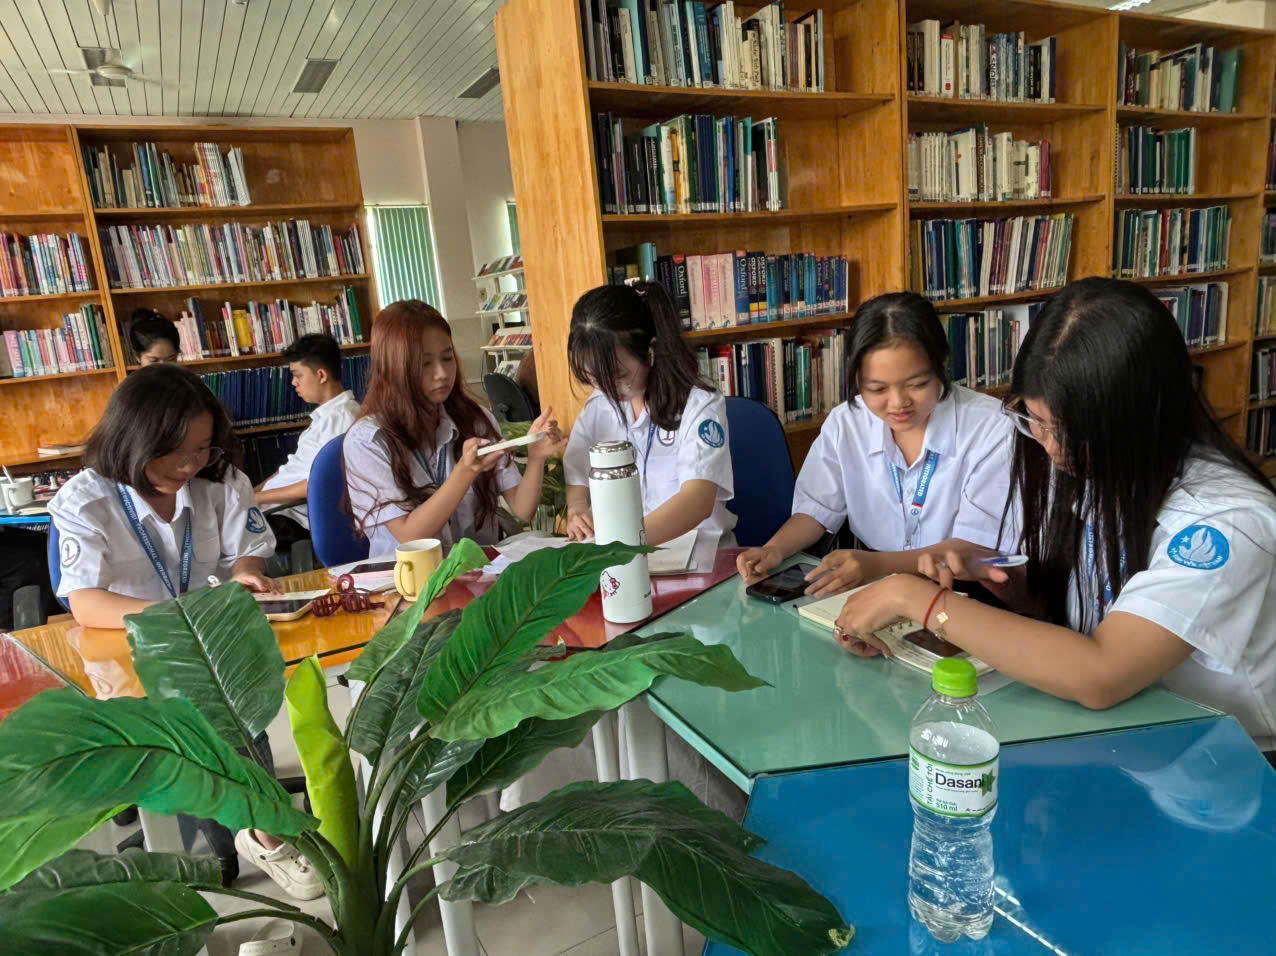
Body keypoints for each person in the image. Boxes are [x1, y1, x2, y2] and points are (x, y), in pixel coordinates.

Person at [833, 278, 1276, 758]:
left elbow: (1102, 673)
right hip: (1127, 734)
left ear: (1135, 418)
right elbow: (1083, 618)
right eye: (1036, 422)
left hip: (1223, 758)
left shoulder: (1225, 523)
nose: (1050, 448)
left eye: (1065, 429)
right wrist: (1012, 586)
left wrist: (915, 598)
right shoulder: (1095, 467)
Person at [46, 363, 322, 900]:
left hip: (210, 640)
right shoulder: (86, 499)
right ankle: (258, 831)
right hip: (127, 653)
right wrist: (176, 616)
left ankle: (259, 827)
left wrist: (246, 572)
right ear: (133, 440)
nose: (190, 464)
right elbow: (85, 602)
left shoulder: (219, 480)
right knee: (198, 724)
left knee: (236, 703)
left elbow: (246, 551)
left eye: (201, 448)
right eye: (175, 452)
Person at [737, 291, 1014, 597]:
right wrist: (775, 549)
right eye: (877, 389)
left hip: (962, 590)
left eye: (917, 384)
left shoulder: (991, 428)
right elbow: (817, 508)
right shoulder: (846, 423)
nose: (898, 403)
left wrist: (878, 565)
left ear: (942, 365)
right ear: (857, 378)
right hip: (870, 581)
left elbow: (974, 547)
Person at [344, 300, 563, 556]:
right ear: (394, 368)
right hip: (407, 576)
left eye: (447, 358)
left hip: (477, 571)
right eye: (425, 363)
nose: (441, 373)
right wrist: (464, 472)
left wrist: (536, 457)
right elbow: (411, 536)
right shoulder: (367, 441)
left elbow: (523, 509)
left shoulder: (476, 419)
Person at [563, 281, 735, 546]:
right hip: (621, 551)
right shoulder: (599, 405)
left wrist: (624, 544)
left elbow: (697, 501)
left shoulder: (699, 403)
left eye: (617, 376)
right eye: (593, 379)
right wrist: (577, 508)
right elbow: (577, 470)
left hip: (694, 553)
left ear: (650, 352)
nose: (606, 389)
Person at [255, 333, 360, 549]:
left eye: (298, 375)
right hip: (274, 509)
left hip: (292, 518)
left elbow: (320, 484)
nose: (293, 382)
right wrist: (251, 492)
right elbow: (291, 468)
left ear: (321, 375)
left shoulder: (341, 421)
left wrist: (257, 498)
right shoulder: (325, 417)